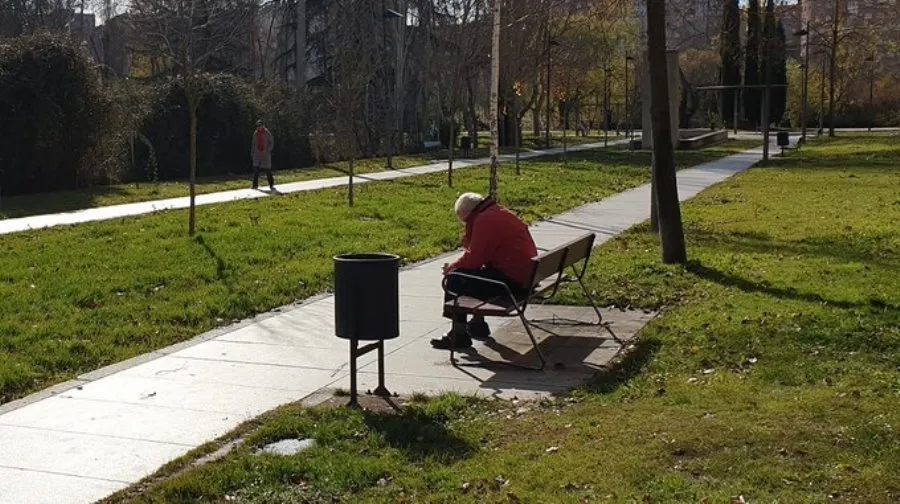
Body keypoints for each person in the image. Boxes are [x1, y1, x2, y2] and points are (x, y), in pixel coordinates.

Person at [431, 193, 538, 350]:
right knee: (475, 274)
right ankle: (477, 325)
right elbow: (480, 258)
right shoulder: (497, 211)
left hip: (512, 283)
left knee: (455, 278)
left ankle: (458, 335)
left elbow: (474, 259)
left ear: (468, 213)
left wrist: (451, 268)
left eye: (465, 221)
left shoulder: (484, 220)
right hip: (526, 276)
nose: (467, 225)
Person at [251, 119, 275, 191]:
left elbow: (271, 142)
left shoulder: (267, 132)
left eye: (259, 125)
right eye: (257, 126)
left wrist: (268, 150)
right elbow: (253, 143)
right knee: (256, 169)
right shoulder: (255, 133)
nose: (258, 127)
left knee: (267, 169)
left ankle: (271, 184)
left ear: (263, 126)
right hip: (257, 153)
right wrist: (252, 152)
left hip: (265, 154)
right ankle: (255, 185)